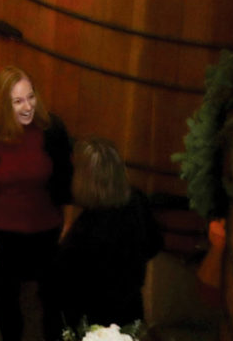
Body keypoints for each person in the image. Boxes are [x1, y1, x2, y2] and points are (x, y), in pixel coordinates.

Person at [0, 66, 73, 341]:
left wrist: (68, 223)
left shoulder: (53, 130)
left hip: (47, 230)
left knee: (53, 302)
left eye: (31, 97)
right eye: (18, 101)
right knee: (7, 302)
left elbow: (64, 179)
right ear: (2, 105)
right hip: (2, 235)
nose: (28, 107)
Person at [58, 137, 164, 333]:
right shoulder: (137, 199)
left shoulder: (82, 234)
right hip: (131, 307)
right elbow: (155, 244)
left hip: (94, 320)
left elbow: (67, 295)